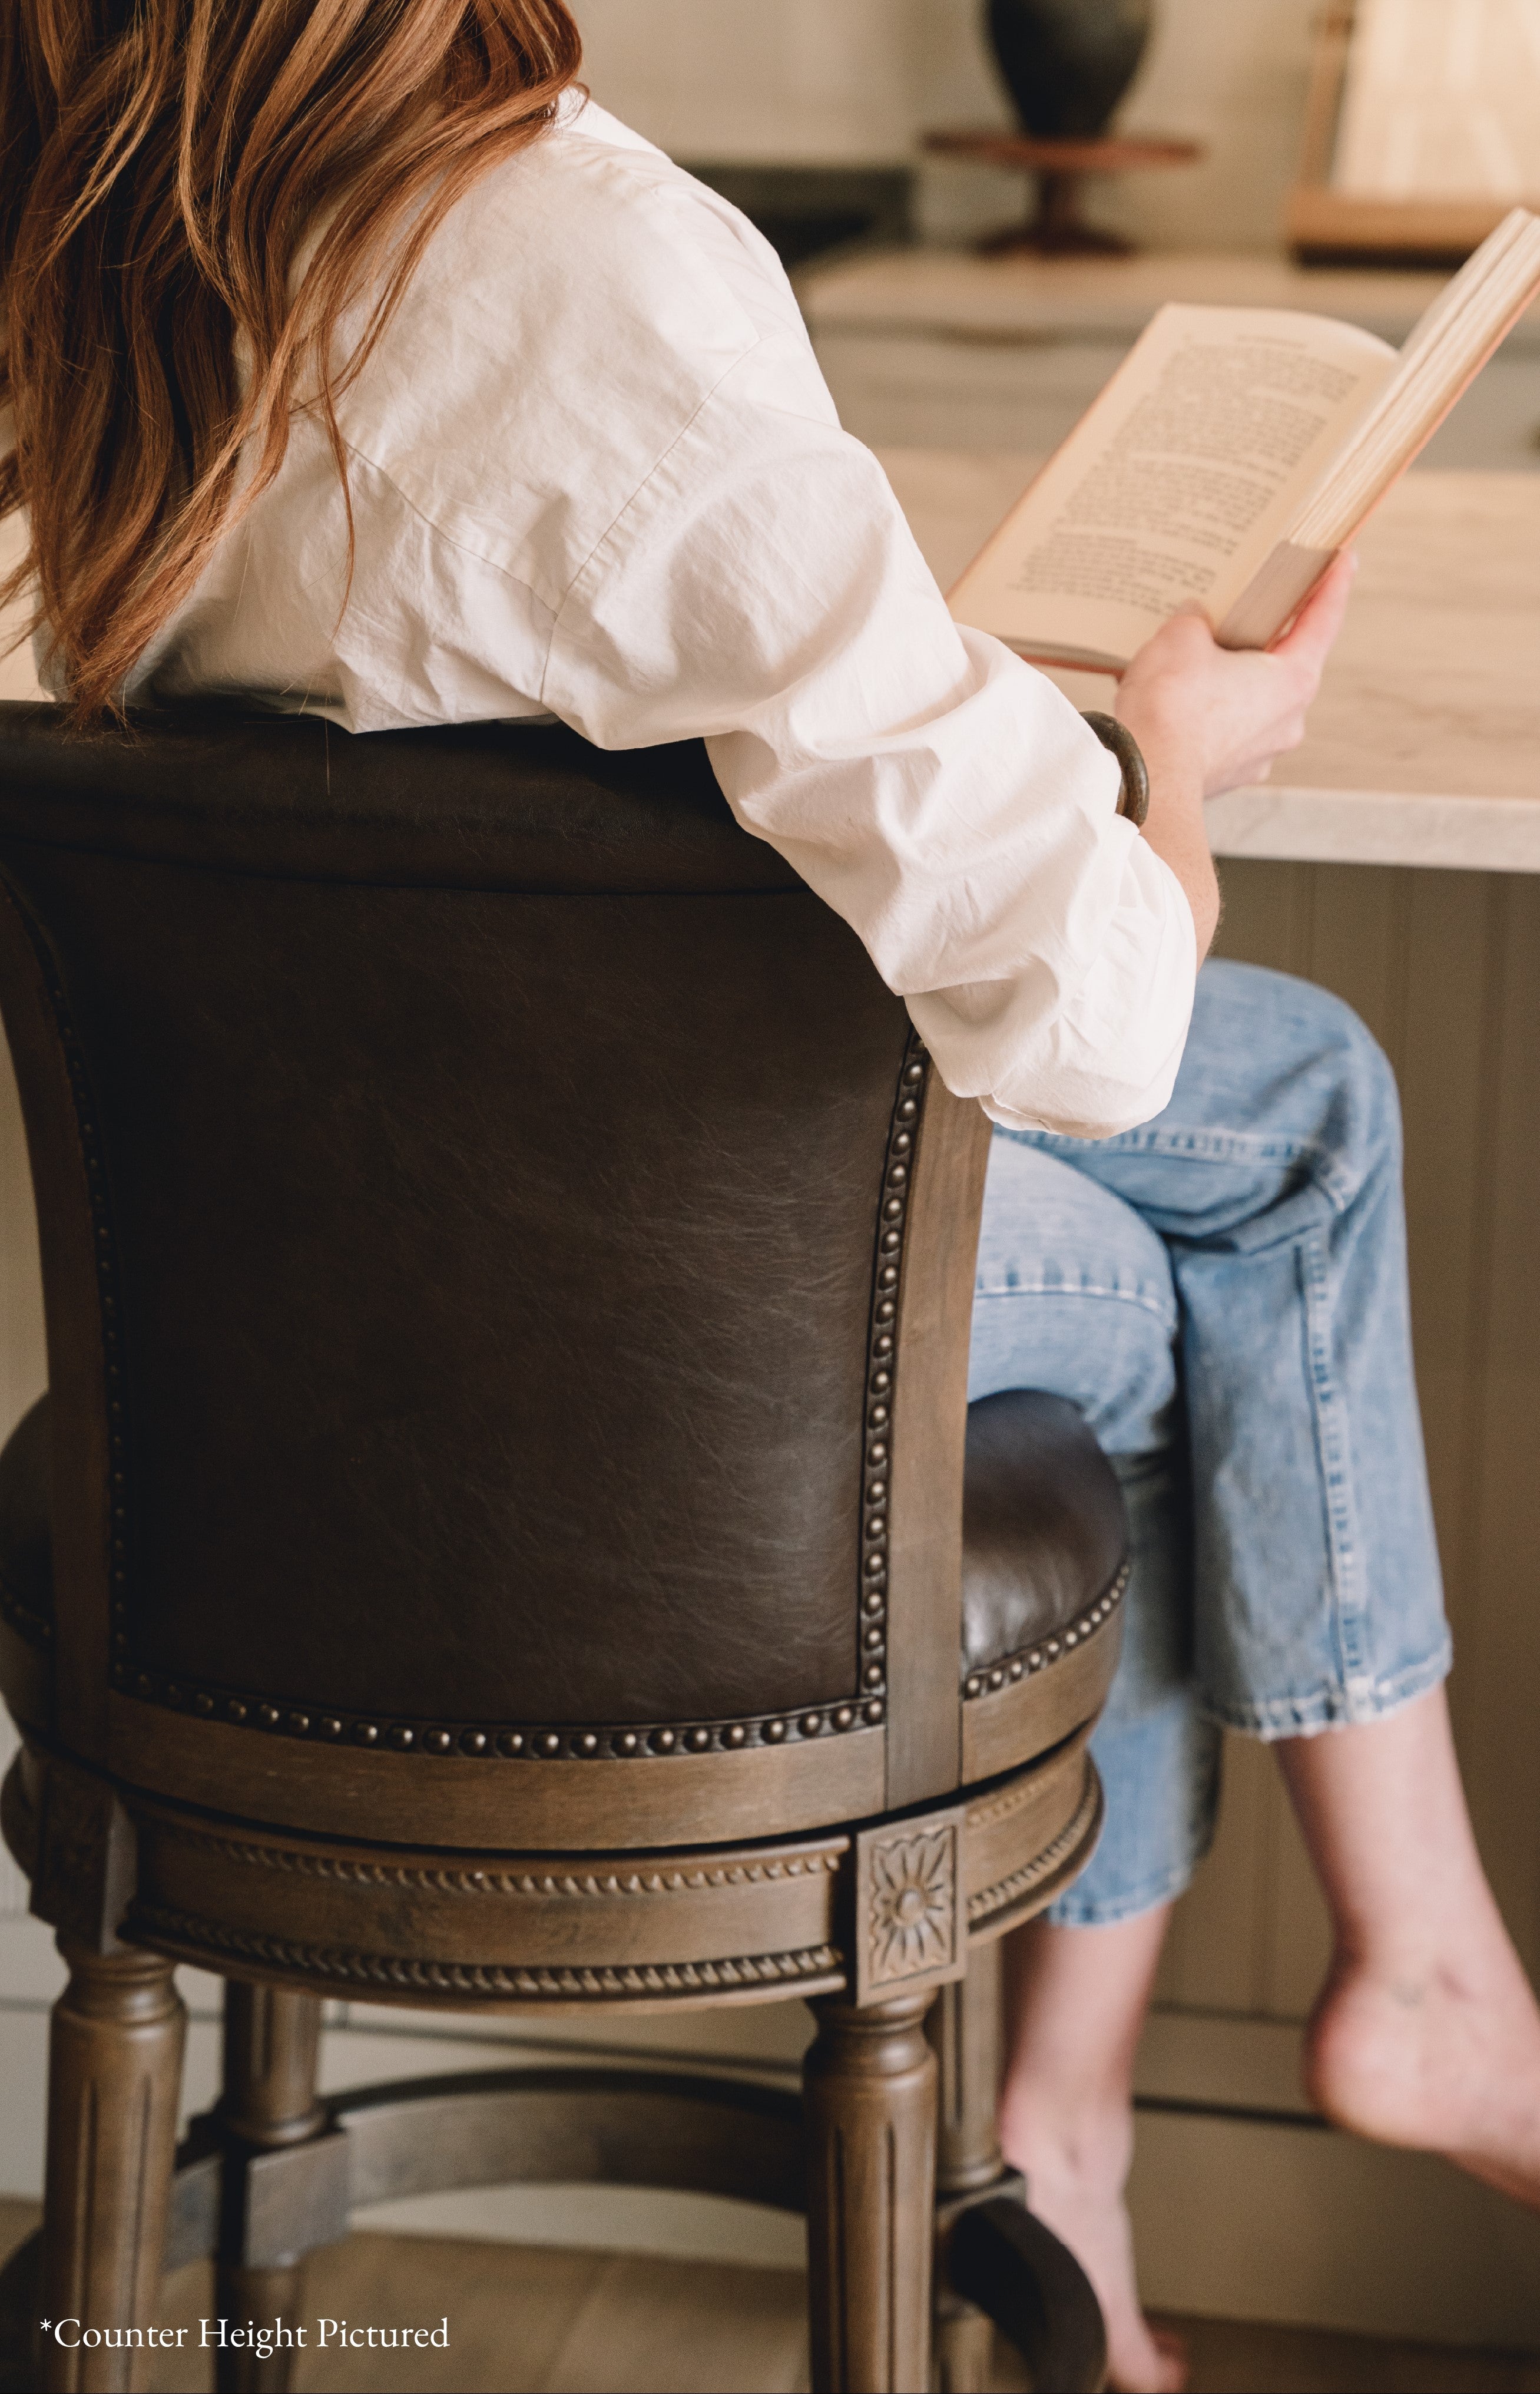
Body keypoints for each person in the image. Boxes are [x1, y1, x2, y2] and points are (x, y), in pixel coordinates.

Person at [4, 9, 1539, 2387]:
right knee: (1201, 1236)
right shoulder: (584, 249)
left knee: (1302, 1097)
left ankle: (1161, 2101)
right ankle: (1262, 2048)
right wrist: (1171, 769)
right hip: (660, 1355)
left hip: (244, 1358)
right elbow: (1095, 1019)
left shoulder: (100, 260)